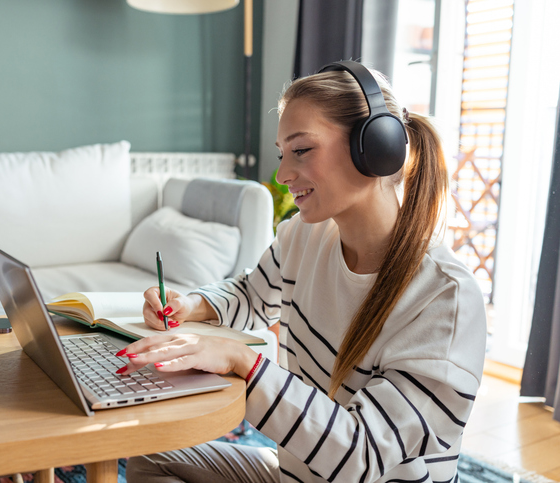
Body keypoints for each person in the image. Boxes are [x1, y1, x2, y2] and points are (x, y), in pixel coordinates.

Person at [118, 61, 487, 483]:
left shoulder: (445, 299)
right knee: (151, 459)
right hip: (296, 475)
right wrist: (191, 305)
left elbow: (360, 457)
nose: (282, 174)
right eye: (282, 153)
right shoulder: (302, 235)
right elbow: (252, 295)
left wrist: (242, 361)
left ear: (375, 147)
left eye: (302, 150)